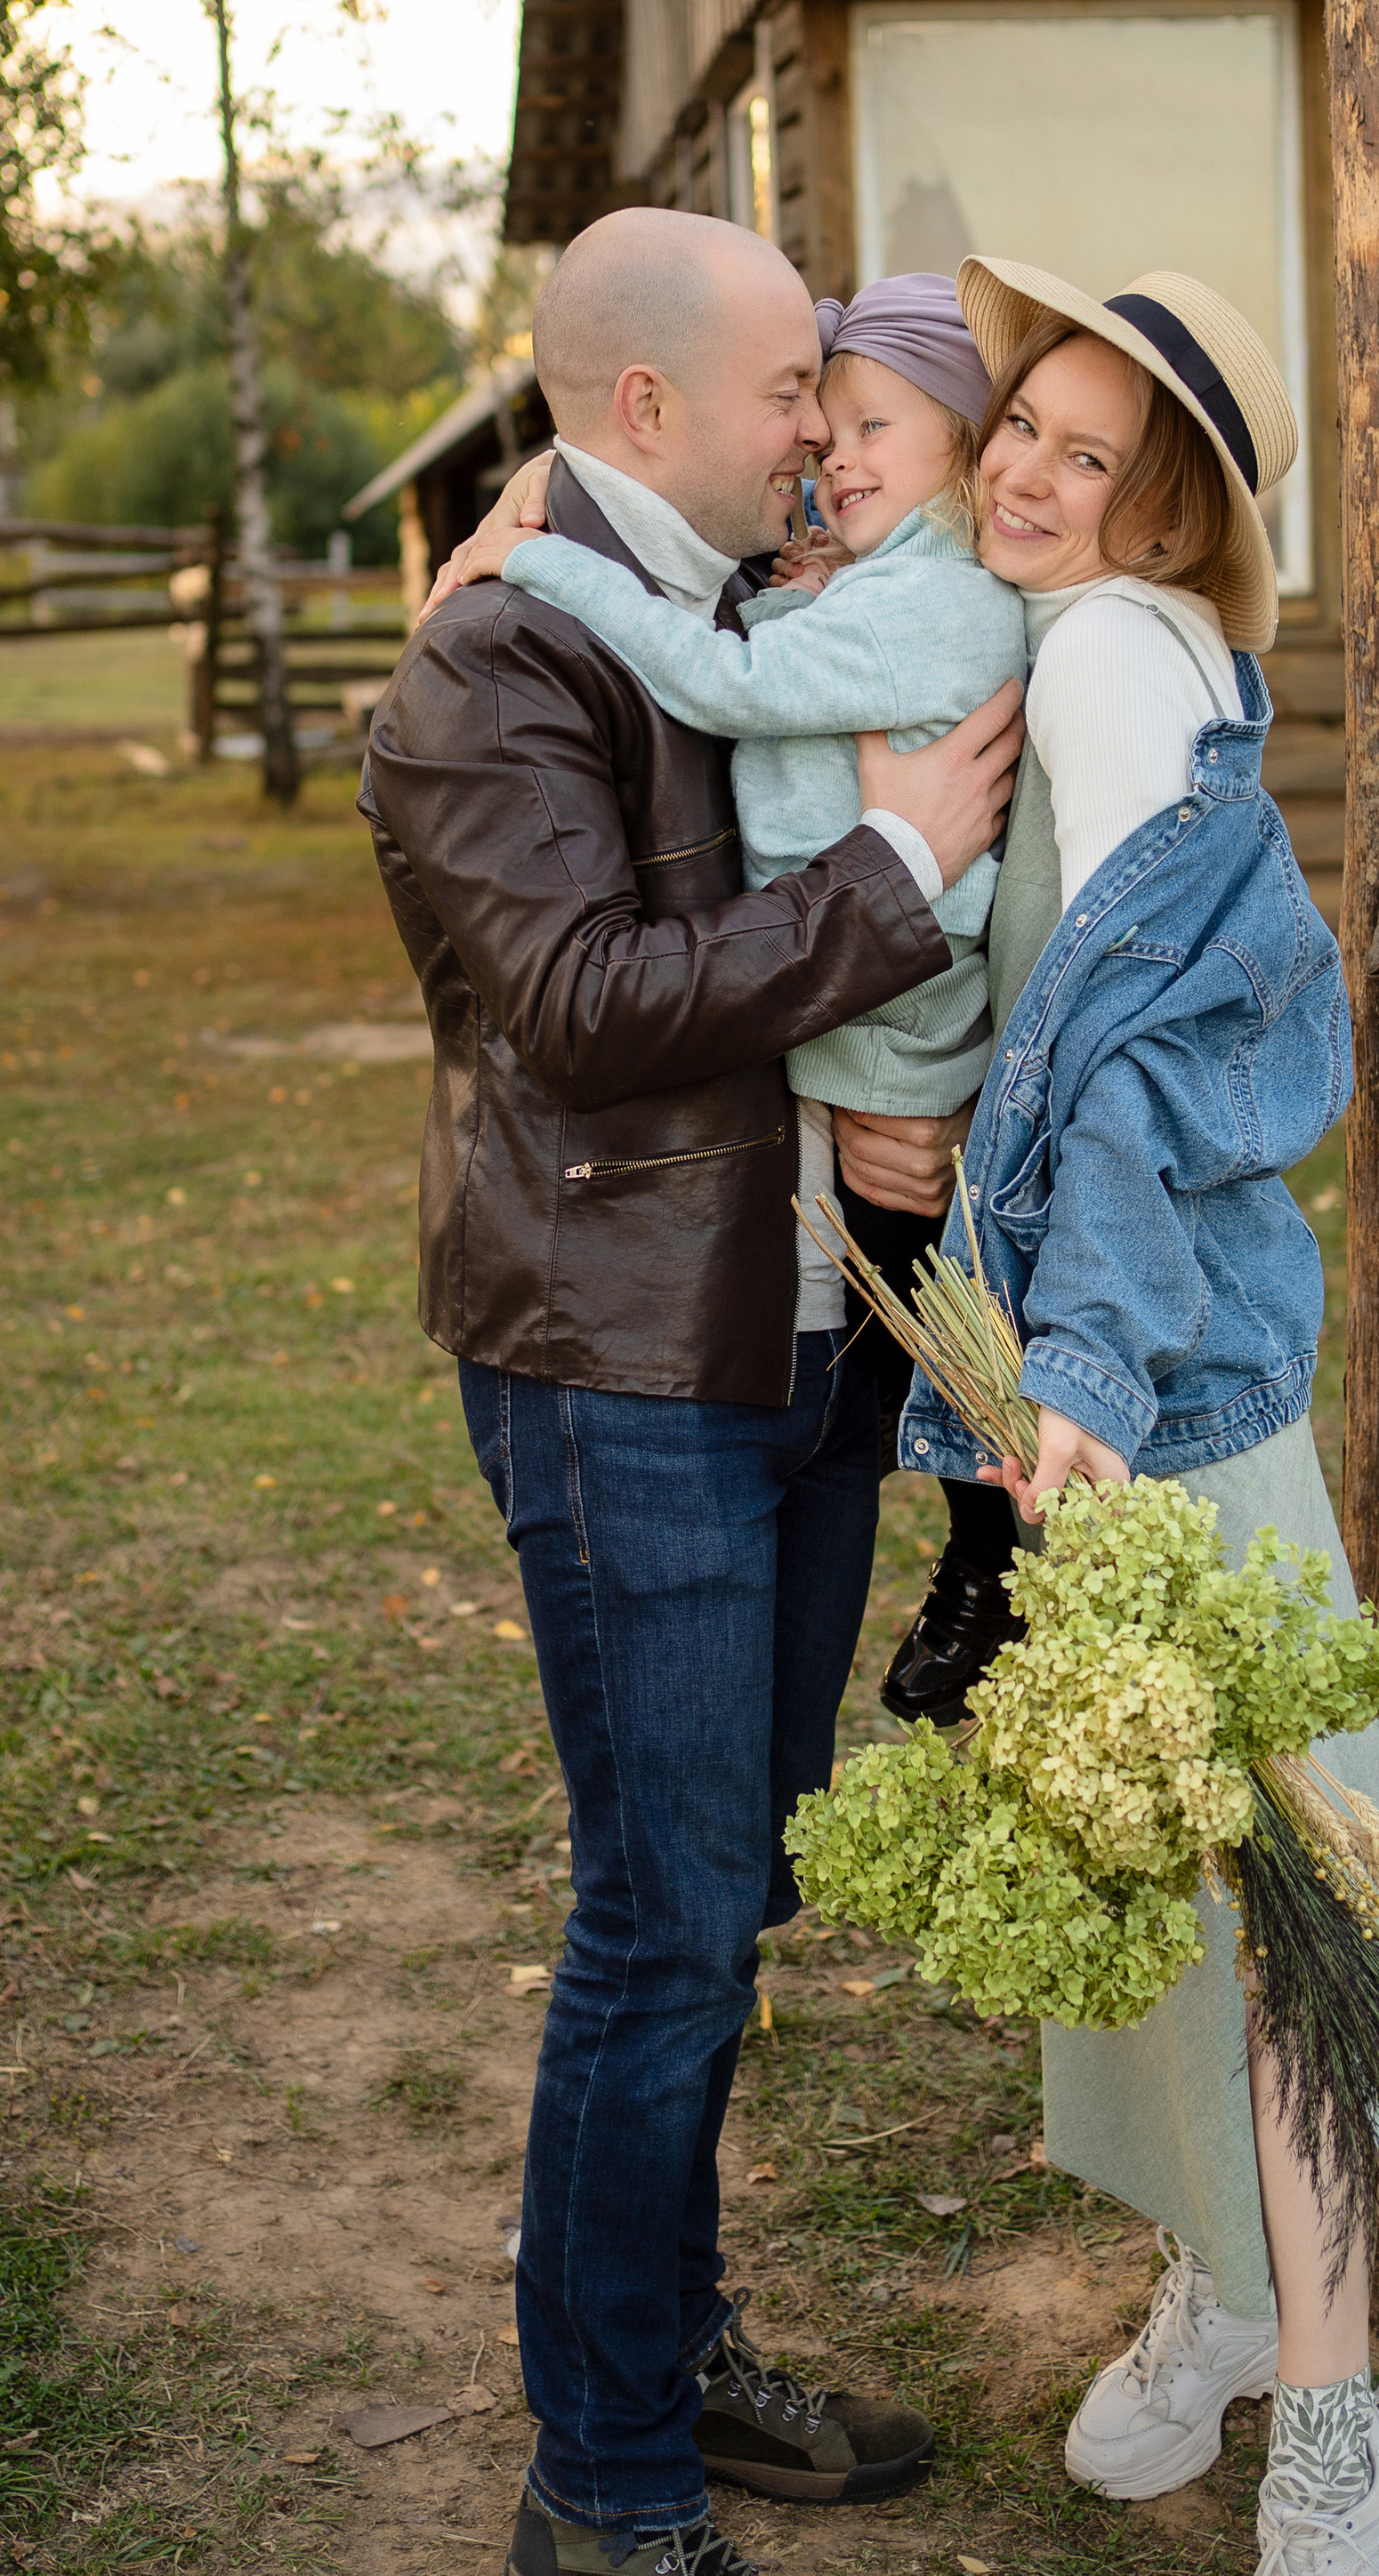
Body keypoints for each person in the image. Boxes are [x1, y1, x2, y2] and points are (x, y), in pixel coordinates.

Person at [358, 206, 1024, 2576]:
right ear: (645, 408)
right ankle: (607, 2487)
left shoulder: (755, 604)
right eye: (784, 405)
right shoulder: (490, 668)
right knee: (659, 1915)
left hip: (806, 1342)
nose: (818, 442)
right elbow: (581, 999)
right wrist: (890, 874)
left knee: (725, 1891)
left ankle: (669, 2342)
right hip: (628, 1365)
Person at [897, 257, 1379, 2576]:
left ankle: (1321, 2440)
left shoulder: (1110, 662)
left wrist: (1096, 1384)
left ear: (1165, 521)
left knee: (1294, 1898)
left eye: (1090, 459)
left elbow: (1124, 1059)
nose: (1032, 471)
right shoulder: (1105, 652)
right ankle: (1231, 2319)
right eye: (1020, 424)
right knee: (1188, 1861)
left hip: (1151, 1390)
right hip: (1112, 1383)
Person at [443, 269, 1032, 1722]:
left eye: (854, 422)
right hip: (765, 1162)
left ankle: (1002, 1562)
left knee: (950, 1331)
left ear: (961, 435)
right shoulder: (834, 576)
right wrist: (538, 489)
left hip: (880, 1072)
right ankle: (999, 1555)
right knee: (934, 1318)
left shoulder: (937, 602)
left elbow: (724, 682)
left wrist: (538, 552)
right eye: (806, 414)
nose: (823, 450)